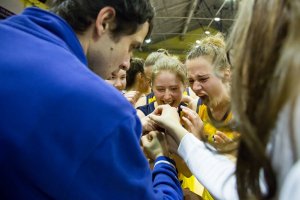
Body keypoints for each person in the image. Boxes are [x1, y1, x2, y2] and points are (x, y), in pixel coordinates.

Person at [0, 0, 183, 199]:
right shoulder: (103, 106)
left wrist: (133, 128)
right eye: (131, 46)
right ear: (104, 21)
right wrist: (163, 161)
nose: (126, 62)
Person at [147, 0, 300, 199]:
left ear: (227, 73)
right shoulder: (198, 108)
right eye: (191, 80)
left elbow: (255, 183)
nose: (195, 87)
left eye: (203, 79)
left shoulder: (253, 115)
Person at [136, 56, 203, 198]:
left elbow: (188, 171)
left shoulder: (188, 117)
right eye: (160, 89)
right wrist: (138, 129)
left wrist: (175, 133)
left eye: (174, 89)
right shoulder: (141, 115)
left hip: (177, 187)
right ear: (151, 87)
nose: (167, 97)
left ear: (184, 86)